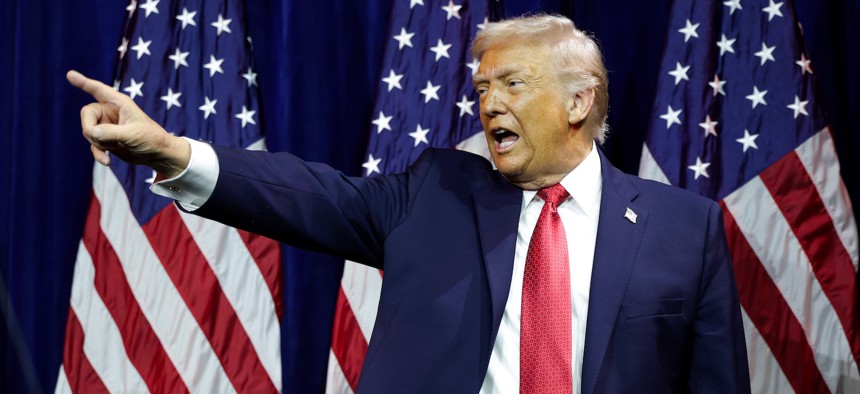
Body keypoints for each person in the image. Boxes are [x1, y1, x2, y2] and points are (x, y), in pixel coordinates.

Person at [68, 14, 749, 394]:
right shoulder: (437, 192)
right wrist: (169, 152)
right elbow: (309, 195)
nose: (490, 104)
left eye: (513, 82)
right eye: (482, 88)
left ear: (579, 101)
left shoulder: (685, 229)